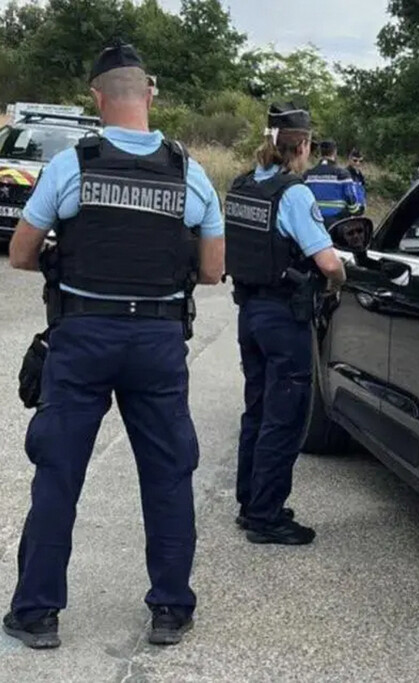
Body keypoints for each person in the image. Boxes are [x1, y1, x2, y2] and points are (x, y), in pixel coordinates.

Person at [3, 41, 224, 650]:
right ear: (149, 94)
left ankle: (38, 614)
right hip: (156, 340)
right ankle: (171, 610)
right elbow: (211, 271)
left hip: (82, 338)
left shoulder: (72, 164)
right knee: (169, 475)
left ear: (97, 99)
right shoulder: (190, 172)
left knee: (58, 474)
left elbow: (20, 253)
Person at [225, 101, 346, 546]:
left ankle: (250, 501)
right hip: (283, 317)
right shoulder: (293, 193)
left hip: (249, 313)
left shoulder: (241, 186)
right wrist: (340, 281)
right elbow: (328, 262)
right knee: (286, 415)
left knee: (257, 408)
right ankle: (266, 516)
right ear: (305, 145)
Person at [303, 139, 364, 223]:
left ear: (320, 152)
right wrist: (357, 211)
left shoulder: (307, 175)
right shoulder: (343, 174)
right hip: (337, 223)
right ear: (335, 152)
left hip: (314, 221)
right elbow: (350, 198)